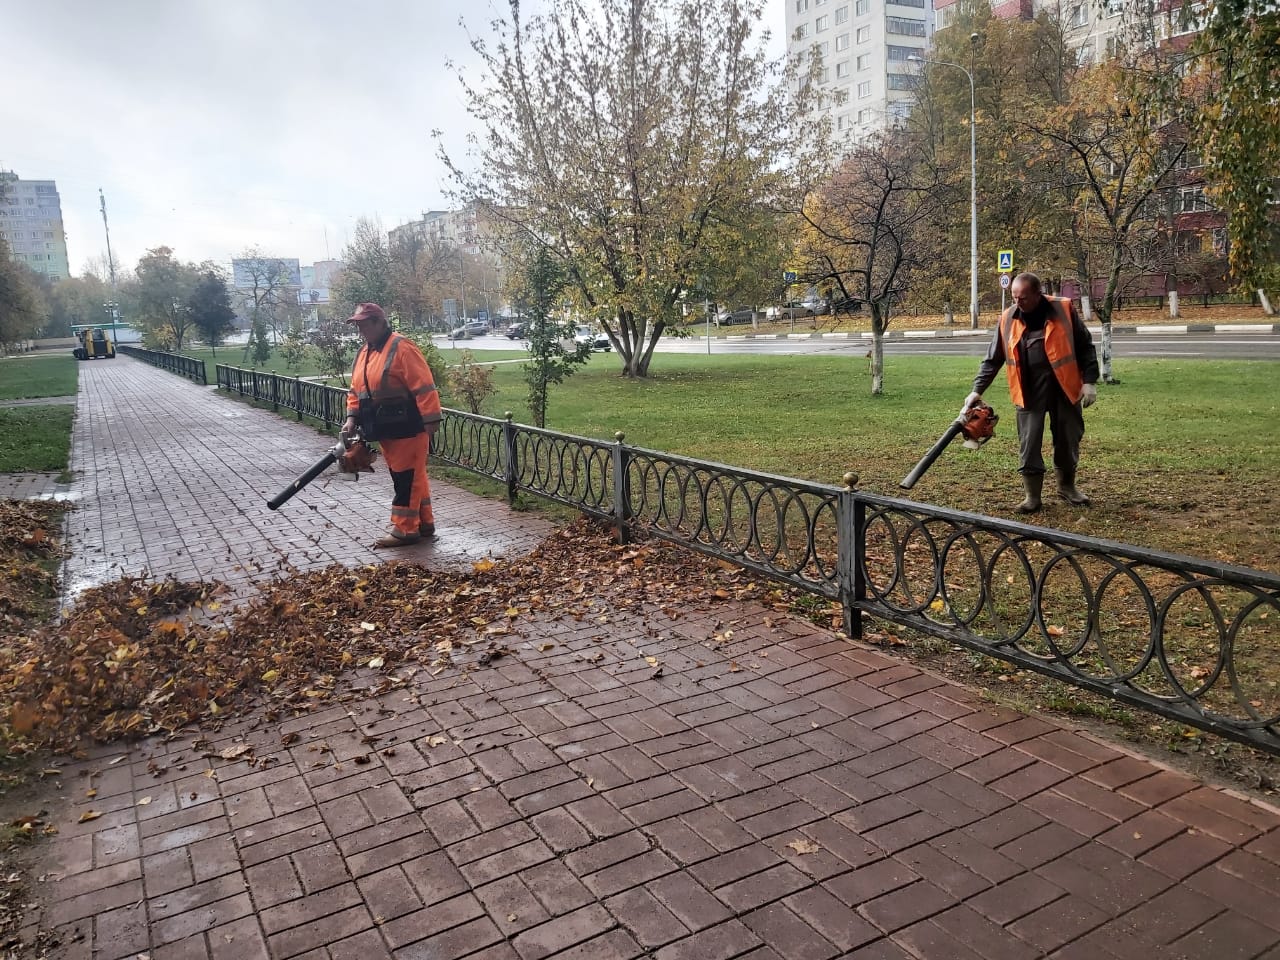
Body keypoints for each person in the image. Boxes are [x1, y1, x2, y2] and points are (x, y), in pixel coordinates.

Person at [962, 272, 1099, 514]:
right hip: (1028, 392)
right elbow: (992, 360)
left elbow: (1085, 347)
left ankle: (1067, 487)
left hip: (1065, 389)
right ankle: (1032, 497)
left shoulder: (1064, 310)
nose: (1018, 303)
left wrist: (1089, 382)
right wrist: (976, 391)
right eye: (1014, 297)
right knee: (1029, 443)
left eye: (1023, 298)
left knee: (1068, 439)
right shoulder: (1007, 319)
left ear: (1038, 294)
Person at [342, 303, 443, 548]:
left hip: (408, 426)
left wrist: (430, 420)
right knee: (411, 474)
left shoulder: (400, 347)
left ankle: (405, 529)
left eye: (364, 324)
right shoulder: (365, 352)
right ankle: (423, 522)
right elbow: (357, 390)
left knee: (405, 477)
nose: (360, 330)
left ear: (379, 322)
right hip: (384, 427)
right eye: (357, 325)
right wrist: (352, 419)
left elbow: (423, 385)